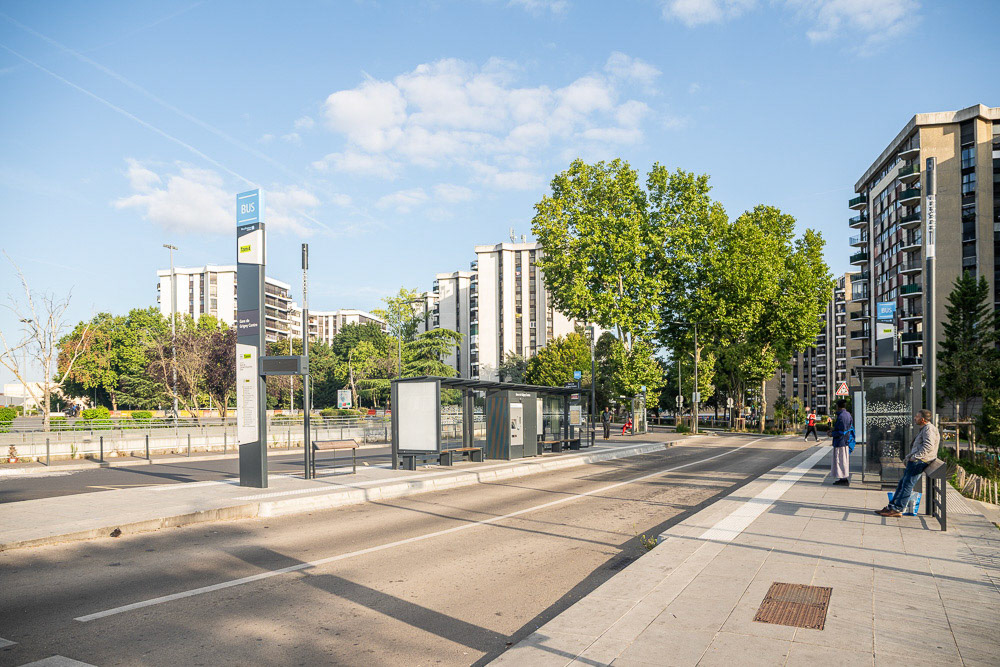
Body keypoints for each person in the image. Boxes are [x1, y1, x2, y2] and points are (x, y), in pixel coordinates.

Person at [877, 409, 941, 517]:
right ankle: (892, 506)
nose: (915, 418)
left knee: (907, 485)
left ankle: (897, 509)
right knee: (903, 483)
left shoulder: (929, 429)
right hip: (917, 460)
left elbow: (928, 446)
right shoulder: (925, 428)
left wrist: (915, 457)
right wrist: (909, 457)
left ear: (923, 419)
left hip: (920, 462)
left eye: (917, 416)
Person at [830, 399, 852, 486]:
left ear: (838, 407)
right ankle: (843, 478)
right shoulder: (848, 414)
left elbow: (842, 431)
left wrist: (832, 434)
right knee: (843, 460)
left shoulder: (841, 416)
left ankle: (843, 479)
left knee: (840, 460)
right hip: (845, 441)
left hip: (840, 441)